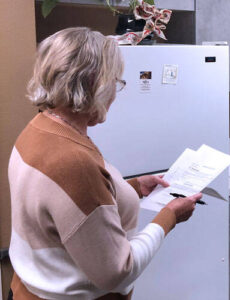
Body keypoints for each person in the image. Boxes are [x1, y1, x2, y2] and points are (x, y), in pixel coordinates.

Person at [8, 27, 202, 299]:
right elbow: (117, 271)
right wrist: (170, 216)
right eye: (116, 82)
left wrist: (133, 187)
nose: (115, 92)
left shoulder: (39, 128)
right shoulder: (73, 161)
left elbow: (69, 207)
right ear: (93, 84)